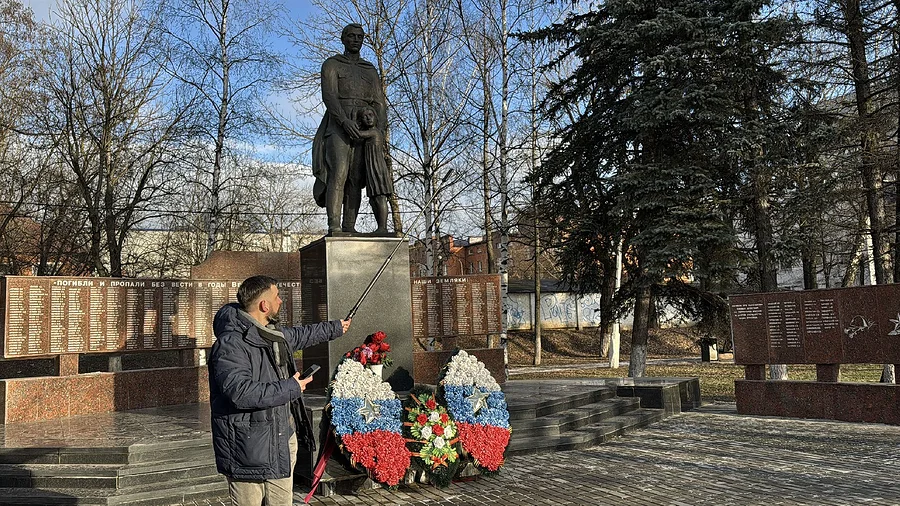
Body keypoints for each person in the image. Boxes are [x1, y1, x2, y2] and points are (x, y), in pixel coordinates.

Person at [208, 275, 351, 506]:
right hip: (246, 447)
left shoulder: (270, 333)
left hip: (280, 437)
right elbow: (240, 393)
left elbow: (302, 335)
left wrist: (335, 328)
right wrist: (291, 387)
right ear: (264, 305)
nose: (281, 301)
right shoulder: (231, 344)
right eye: (276, 296)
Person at [311, 23, 387, 234]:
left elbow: (379, 102)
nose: (355, 39)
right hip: (338, 127)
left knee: (356, 178)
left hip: (365, 126)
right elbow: (329, 96)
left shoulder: (369, 70)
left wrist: (378, 132)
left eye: (360, 37)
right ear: (343, 39)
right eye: (351, 36)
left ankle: (349, 226)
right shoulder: (332, 64)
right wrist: (344, 121)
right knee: (339, 173)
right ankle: (334, 225)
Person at [356, 106, 393, 234]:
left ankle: (383, 227)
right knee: (373, 199)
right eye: (365, 116)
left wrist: (348, 123)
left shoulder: (374, 132)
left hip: (377, 167)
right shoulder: (372, 132)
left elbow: (357, 134)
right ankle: (380, 227)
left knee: (380, 197)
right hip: (371, 168)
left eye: (370, 115)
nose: (368, 118)